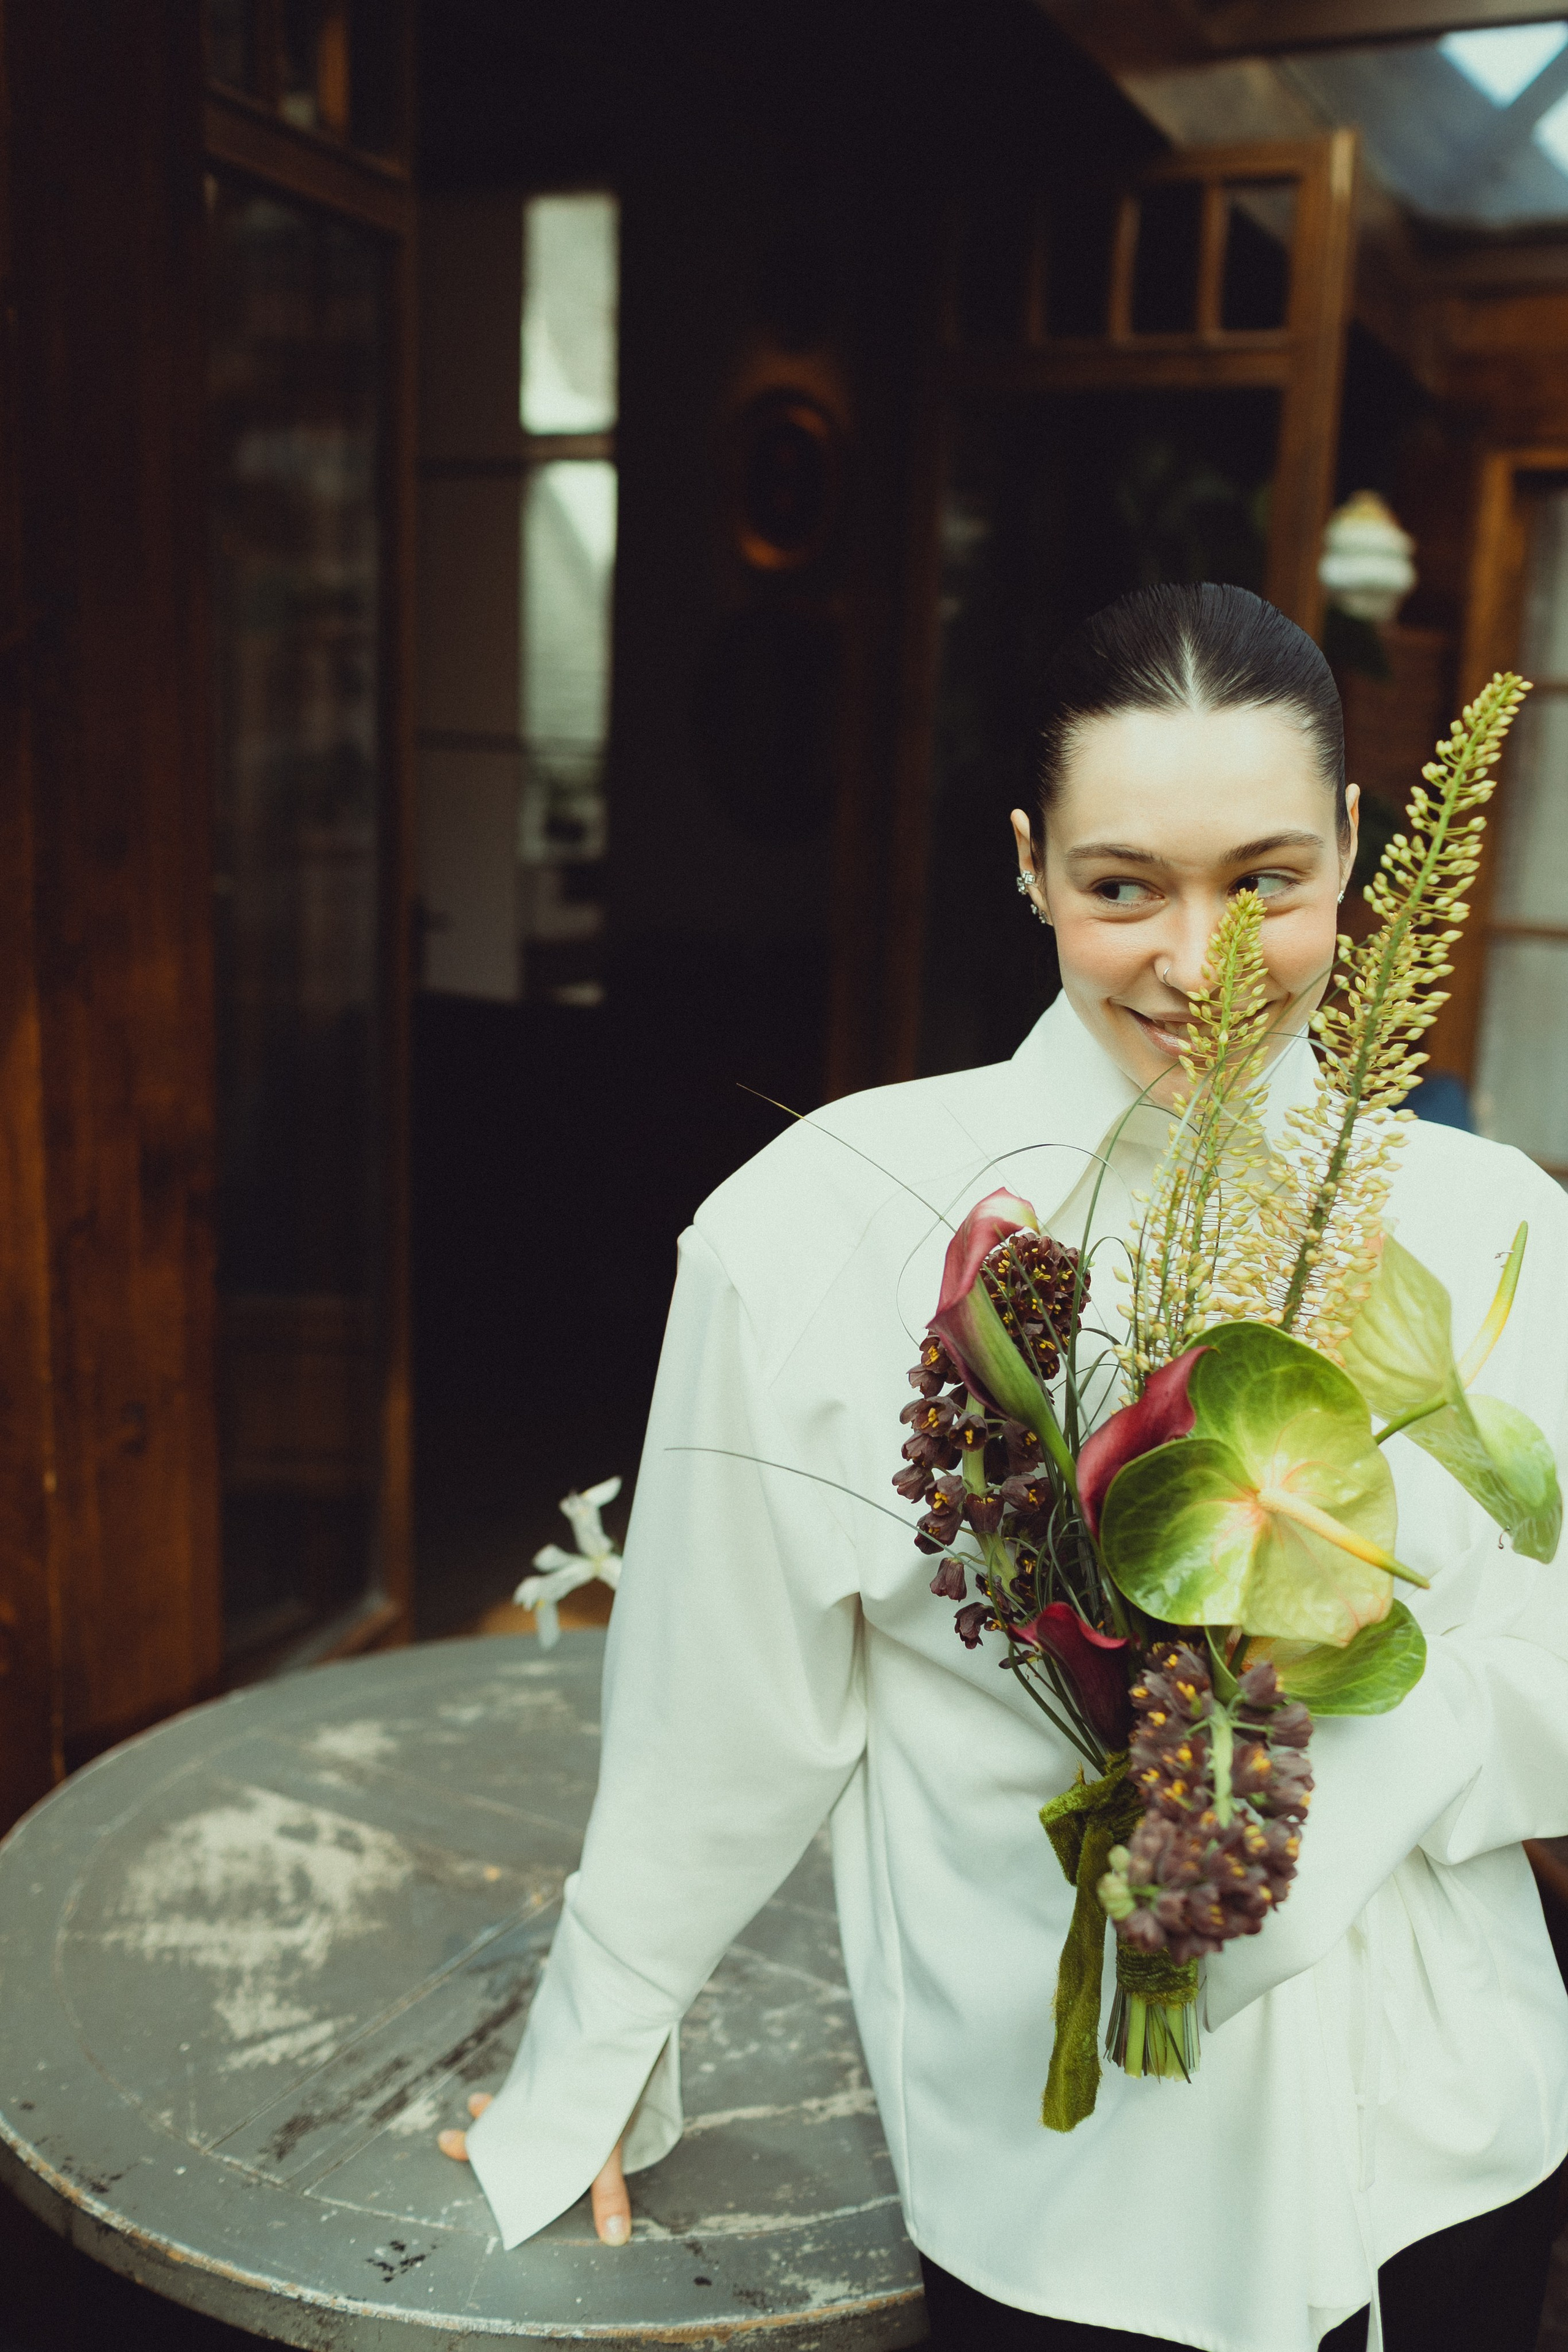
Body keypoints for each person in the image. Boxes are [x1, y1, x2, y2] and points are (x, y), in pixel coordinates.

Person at [440, 583, 1568, 2350]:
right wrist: (590, 2068)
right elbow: (721, 1719)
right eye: (1124, 888)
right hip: (1065, 2208)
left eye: (1266, 880)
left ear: (1358, 849)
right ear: (1031, 866)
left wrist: (1367, 1756)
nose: (1200, 964)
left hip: (1448, 2146)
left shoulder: (1489, 1222)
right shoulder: (817, 1226)